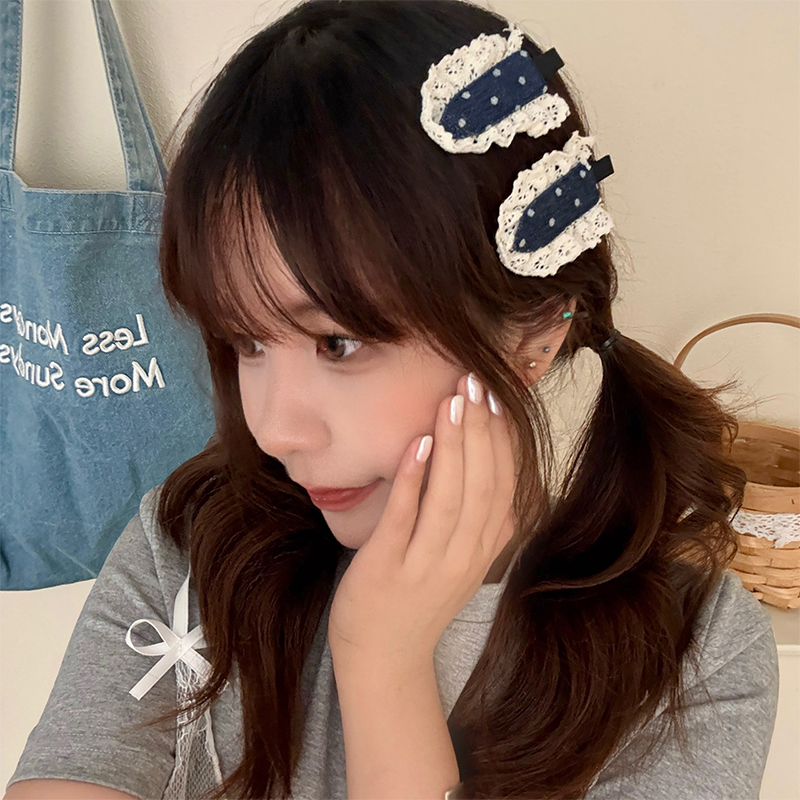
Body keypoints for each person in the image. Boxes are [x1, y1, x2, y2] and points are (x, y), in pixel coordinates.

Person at [5, 1, 779, 799]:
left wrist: (382, 663)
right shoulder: (190, 549)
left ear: (535, 335)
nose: (274, 429)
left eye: (338, 343)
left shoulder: (695, 659)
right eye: (245, 342)